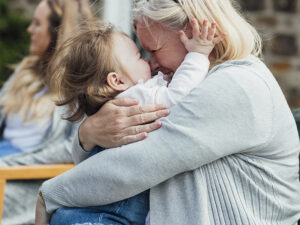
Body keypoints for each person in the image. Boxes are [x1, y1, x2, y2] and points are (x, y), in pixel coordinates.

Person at [36, 0, 300, 224]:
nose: (151, 65)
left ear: (192, 31)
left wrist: (50, 194)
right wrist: (88, 133)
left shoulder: (237, 85)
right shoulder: (185, 83)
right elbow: (110, 163)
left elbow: (133, 167)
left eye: (153, 50)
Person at [43, 19, 224, 225]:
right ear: (117, 81)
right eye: (140, 57)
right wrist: (198, 55)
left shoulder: (117, 101)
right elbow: (177, 97)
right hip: (103, 218)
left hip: (84, 214)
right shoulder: (134, 97)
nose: (149, 62)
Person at [0, 0, 97, 224]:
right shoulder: (26, 72)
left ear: (56, 34)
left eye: (36, 24)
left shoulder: (78, 87)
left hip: (24, 177)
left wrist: (7, 164)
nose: (29, 29)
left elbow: (69, 148)